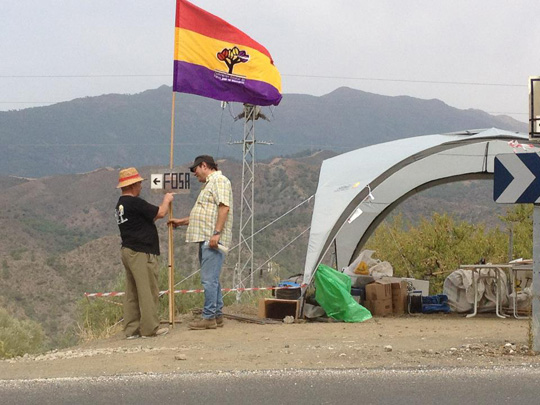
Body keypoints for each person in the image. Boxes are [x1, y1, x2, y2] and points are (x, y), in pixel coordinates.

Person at [169, 155, 233, 330]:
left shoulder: (219, 181)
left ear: (204, 166)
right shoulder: (209, 184)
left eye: (195, 169)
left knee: (208, 280)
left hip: (211, 238)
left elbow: (224, 207)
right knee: (212, 279)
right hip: (206, 236)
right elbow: (205, 214)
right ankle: (217, 314)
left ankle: (209, 317)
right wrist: (181, 222)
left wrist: (216, 233)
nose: (194, 173)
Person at [115, 167, 174, 339]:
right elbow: (160, 213)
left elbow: (147, 218)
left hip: (127, 250)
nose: (141, 186)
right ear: (133, 185)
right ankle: (149, 328)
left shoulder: (121, 204)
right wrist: (167, 199)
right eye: (139, 183)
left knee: (132, 291)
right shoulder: (135, 202)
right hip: (141, 252)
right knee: (148, 290)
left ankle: (131, 329)